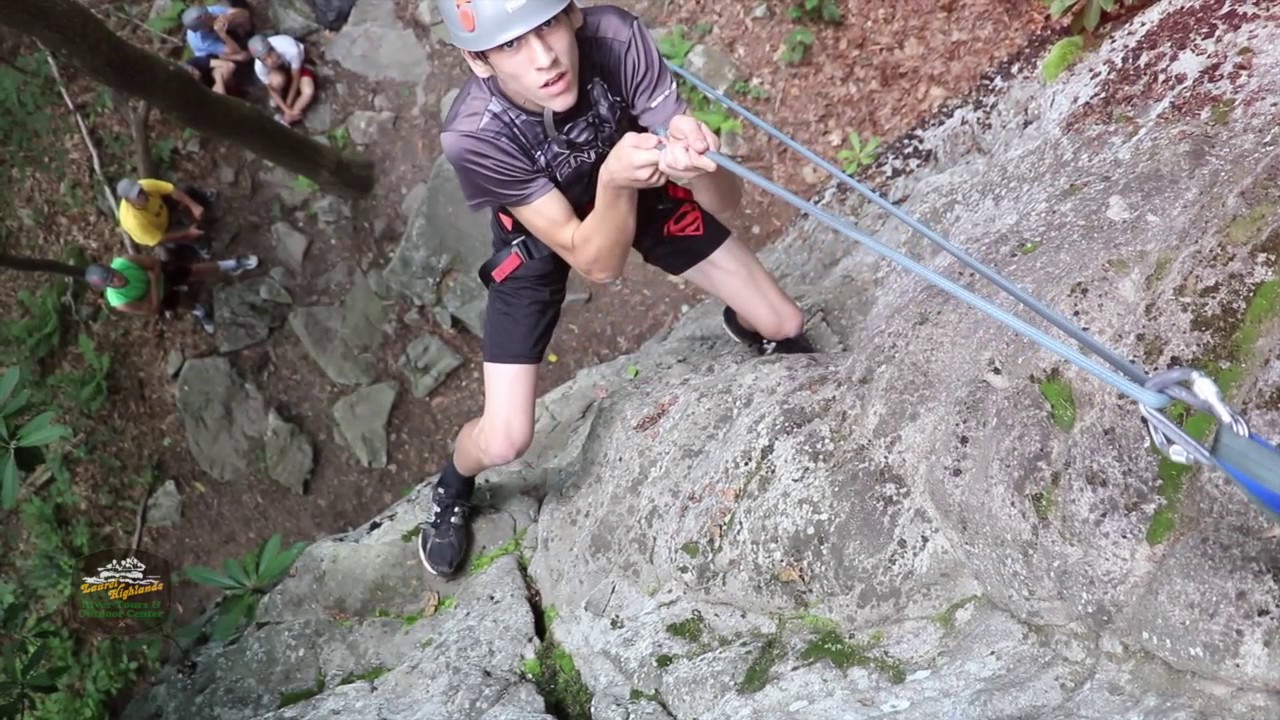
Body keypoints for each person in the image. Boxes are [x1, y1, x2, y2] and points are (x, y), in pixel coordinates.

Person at [417, 0, 817, 577]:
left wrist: (703, 162)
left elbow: (728, 205)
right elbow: (595, 262)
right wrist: (610, 179)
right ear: (477, 60)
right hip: (541, 237)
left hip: (643, 188)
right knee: (506, 439)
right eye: (510, 46)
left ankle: (746, 320)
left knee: (785, 323)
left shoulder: (616, 37)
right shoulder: (475, 134)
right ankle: (454, 482)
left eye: (548, 24)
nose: (544, 57)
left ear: (573, 14)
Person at [83, 253, 259, 334]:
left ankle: (231, 264)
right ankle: (201, 311)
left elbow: (155, 264)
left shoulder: (124, 262)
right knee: (180, 302)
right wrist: (153, 282)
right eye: (111, 281)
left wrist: (152, 293)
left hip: (163, 276)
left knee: (193, 271)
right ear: (107, 287)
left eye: (113, 274)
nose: (116, 278)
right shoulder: (118, 301)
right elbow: (151, 311)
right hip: (157, 288)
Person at [116, 177, 215, 260]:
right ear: (129, 201)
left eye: (140, 190)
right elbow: (159, 238)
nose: (142, 195)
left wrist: (193, 205)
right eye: (137, 195)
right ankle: (203, 247)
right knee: (194, 234)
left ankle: (204, 199)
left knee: (186, 191)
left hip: (163, 209)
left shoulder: (146, 185)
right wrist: (188, 232)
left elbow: (171, 189)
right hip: (161, 231)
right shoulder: (134, 222)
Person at [247, 34, 315, 126]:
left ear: (273, 48)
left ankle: (287, 119)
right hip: (280, 72)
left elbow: (296, 78)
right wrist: (286, 108)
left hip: (298, 67)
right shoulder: (259, 67)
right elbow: (270, 89)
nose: (270, 61)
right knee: (276, 81)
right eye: (265, 60)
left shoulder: (291, 50)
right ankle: (282, 96)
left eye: (270, 55)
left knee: (308, 91)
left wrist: (288, 105)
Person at [181, 2, 253, 63]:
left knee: (240, 18)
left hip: (219, 33)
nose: (213, 17)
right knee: (243, 56)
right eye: (209, 20)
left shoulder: (209, 12)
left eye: (210, 16)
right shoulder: (202, 41)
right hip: (212, 53)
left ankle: (250, 34)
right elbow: (234, 51)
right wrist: (222, 34)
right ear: (203, 28)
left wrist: (229, 17)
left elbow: (244, 13)